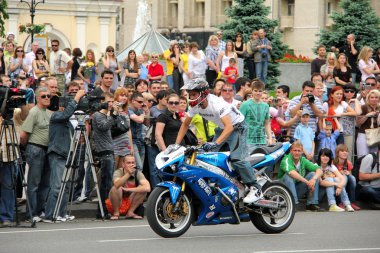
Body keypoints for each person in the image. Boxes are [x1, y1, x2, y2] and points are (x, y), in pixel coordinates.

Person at [172, 78, 263, 204]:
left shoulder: (217, 104)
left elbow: (230, 127)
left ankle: (255, 187)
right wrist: (176, 145)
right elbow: (185, 125)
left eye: (193, 94)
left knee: (237, 159)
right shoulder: (195, 106)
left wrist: (215, 143)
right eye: (189, 94)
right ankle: (230, 185)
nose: (190, 97)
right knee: (208, 158)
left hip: (238, 127)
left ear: (203, 93)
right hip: (222, 129)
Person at [42, 89, 86, 223]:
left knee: (65, 186)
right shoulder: (56, 116)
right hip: (57, 154)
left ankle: (62, 213)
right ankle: (49, 215)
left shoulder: (66, 121)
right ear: (62, 106)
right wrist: (77, 97)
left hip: (67, 155)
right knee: (56, 186)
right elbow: (66, 114)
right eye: (69, 106)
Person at [20, 87, 53, 222]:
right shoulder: (33, 112)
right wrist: (27, 148)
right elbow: (23, 135)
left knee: (45, 183)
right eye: (43, 96)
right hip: (36, 148)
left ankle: (39, 211)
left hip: (47, 150)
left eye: (48, 96)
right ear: (38, 98)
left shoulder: (50, 113)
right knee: (34, 183)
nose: (46, 98)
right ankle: (31, 213)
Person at [0, 92, 29, 227]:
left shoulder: (13, 111)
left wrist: (23, 103)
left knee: (8, 187)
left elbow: (25, 115)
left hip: (9, 154)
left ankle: (6, 217)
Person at [92, 92, 117, 219]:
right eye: (109, 101)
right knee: (105, 183)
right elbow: (104, 126)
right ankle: (102, 210)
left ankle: (105, 209)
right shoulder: (98, 115)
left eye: (113, 101)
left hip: (109, 149)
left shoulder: (106, 115)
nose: (111, 104)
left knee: (108, 183)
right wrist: (113, 115)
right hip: (104, 151)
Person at [278, 141, 323, 211]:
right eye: (295, 150)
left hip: (296, 189)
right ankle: (293, 204)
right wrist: (307, 182)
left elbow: (319, 169)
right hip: (284, 192)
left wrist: (313, 179)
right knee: (288, 176)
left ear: (302, 152)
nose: (297, 153)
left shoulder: (303, 160)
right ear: (291, 151)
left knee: (313, 175)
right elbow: (292, 173)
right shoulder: (286, 159)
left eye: (299, 151)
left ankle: (311, 204)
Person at [107, 155, 150, 220]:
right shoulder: (118, 172)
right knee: (116, 188)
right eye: (128, 163)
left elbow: (147, 188)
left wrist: (128, 189)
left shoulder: (137, 173)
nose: (131, 165)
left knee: (143, 189)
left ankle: (130, 212)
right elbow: (116, 184)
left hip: (130, 202)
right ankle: (116, 213)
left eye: (133, 163)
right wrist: (128, 174)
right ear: (123, 164)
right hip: (117, 203)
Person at [239, 79, 272, 151]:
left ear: (263, 92)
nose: (258, 93)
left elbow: (266, 123)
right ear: (252, 91)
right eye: (255, 91)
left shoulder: (266, 106)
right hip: (248, 141)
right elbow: (239, 123)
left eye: (260, 91)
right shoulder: (245, 104)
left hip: (262, 140)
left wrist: (270, 138)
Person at [333, 144, 360, 211]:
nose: (345, 152)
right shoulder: (333, 162)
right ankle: (341, 202)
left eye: (346, 151)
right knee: (343, 177)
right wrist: (340, 173)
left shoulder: (348, 163)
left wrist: (348, 173)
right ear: (337, 153)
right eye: (342, 151)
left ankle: (352, 201)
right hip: (336, 183)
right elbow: (331, 175)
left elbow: (350, 174)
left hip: (346, 183)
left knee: (352, 178)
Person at [112, 87, 134, 170]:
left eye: (126, 96)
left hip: (125, 144)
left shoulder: (126, 111)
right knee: (113, 171)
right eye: (121, 95)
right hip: (114, 144)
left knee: (121, 171)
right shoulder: (112, 109)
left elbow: (129, 129)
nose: (124, 98)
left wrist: (131, 146)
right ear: (116, 96)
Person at [128, 92, 150, 171]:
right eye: (140, 102)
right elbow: (139, 120)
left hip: (140, 140)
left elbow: (147, 124)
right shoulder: (128, 110)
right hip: (132, 141)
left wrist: (147, 112)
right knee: (138, 166)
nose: (142, 104)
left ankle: (138, 183)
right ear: (133, 101)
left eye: (143, 102)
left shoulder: (140, 111)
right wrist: (143, 114)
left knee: (140, 168)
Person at [356, 89, 380, 158]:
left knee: (374, 158)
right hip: (363, 134)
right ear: (368, 98)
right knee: (362, 157)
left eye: (376, 97)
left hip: (376, 136)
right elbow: (358, 123)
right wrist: (367, 115)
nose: (374, 99)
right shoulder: (364, 107)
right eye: (372, 97)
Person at [341, 83, 362, 161]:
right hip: (338, 131)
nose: (349, 93)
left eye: (351, 91)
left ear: (354, 92)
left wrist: (355, 100)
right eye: (347, 91)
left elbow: (358, 113)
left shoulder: (356, 103)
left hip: (349, 131)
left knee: (348, 154)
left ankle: (349, 171)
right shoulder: (340, 101)